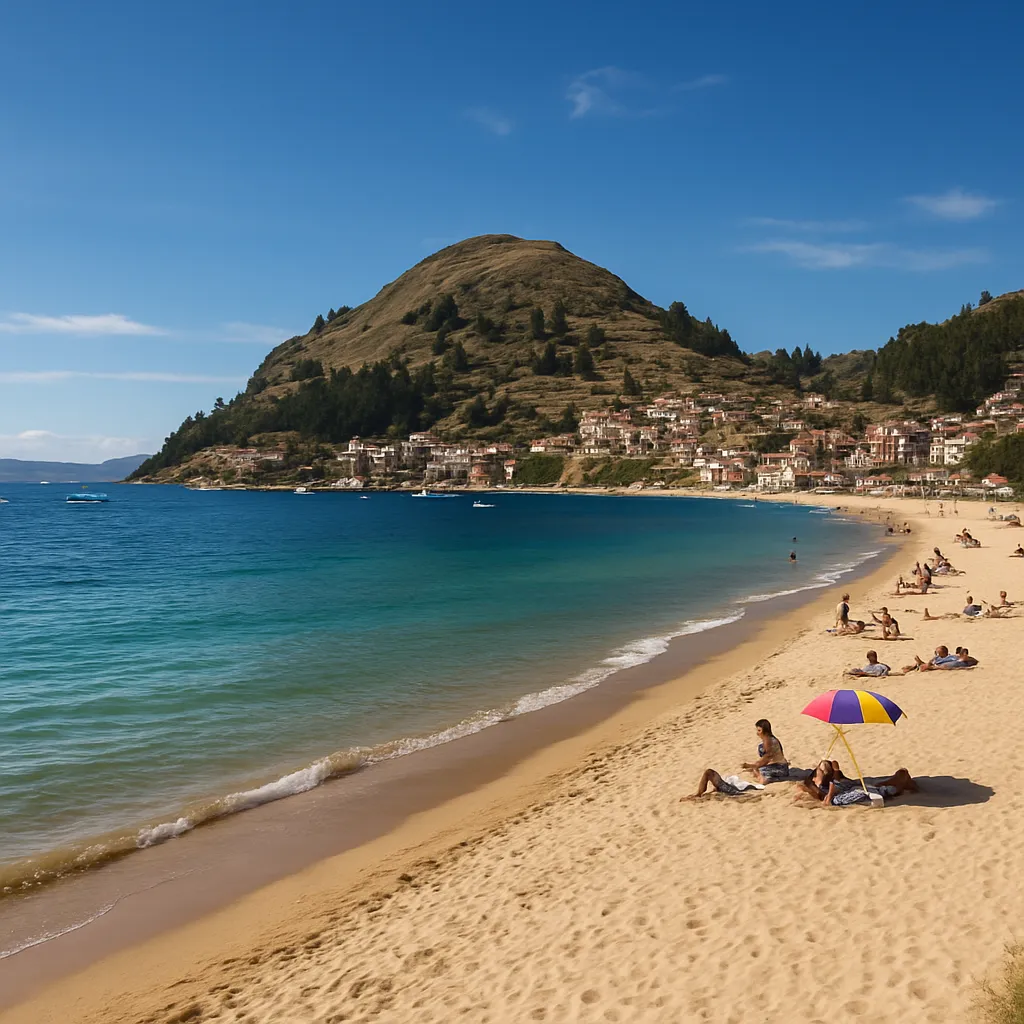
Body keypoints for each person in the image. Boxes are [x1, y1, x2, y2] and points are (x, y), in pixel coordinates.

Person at [802, 761, 917, 807]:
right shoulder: (817, 787)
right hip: (852, 792)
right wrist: (834, 774)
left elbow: (835, 784)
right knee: (884, 788)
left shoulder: (827, 783)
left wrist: (835, 771)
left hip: (851, 788)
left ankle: (902, 780)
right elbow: (829, 796)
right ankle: (902, 782)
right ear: (814, 778)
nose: (824, 770)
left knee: (879, 786)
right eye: (821, 770)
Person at [688, 768, 758, 798]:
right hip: (727, 787)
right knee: (709, 772)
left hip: (727, 787)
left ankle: (698, 794)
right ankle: (699, 793)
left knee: (708, 772)